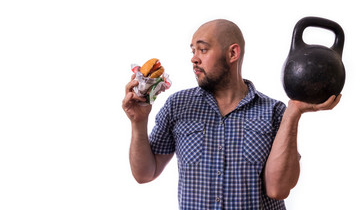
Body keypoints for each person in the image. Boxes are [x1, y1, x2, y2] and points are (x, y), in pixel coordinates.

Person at [122, 19, 341, 209]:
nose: (194, 59)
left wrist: (293, 113)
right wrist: (138, 123)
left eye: (203, 49)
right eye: (193, 51)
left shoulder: (274, 112)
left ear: (232, 53)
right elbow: (144, 174)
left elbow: (278, 190)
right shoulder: (177, 105)